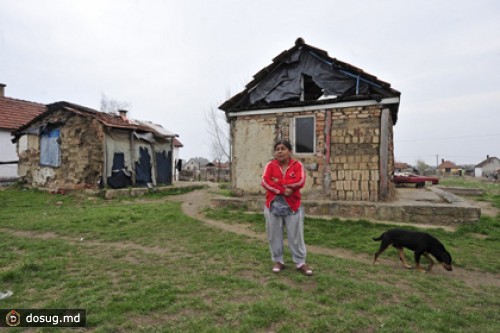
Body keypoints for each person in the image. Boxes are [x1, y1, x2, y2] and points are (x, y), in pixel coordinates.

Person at [261, 139, 312, 276]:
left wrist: (278, 182)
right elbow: (265, 181)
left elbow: (300, 181)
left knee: (296, 235)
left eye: (283, 148)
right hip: (273, 206)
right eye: (277, 149)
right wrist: (282, 190)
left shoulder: (297, 165)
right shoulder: (270, 165)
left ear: (289, 151)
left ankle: (300, 262)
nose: (280, 151)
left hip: (292, 206)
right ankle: (278, 261)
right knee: (274, 235)